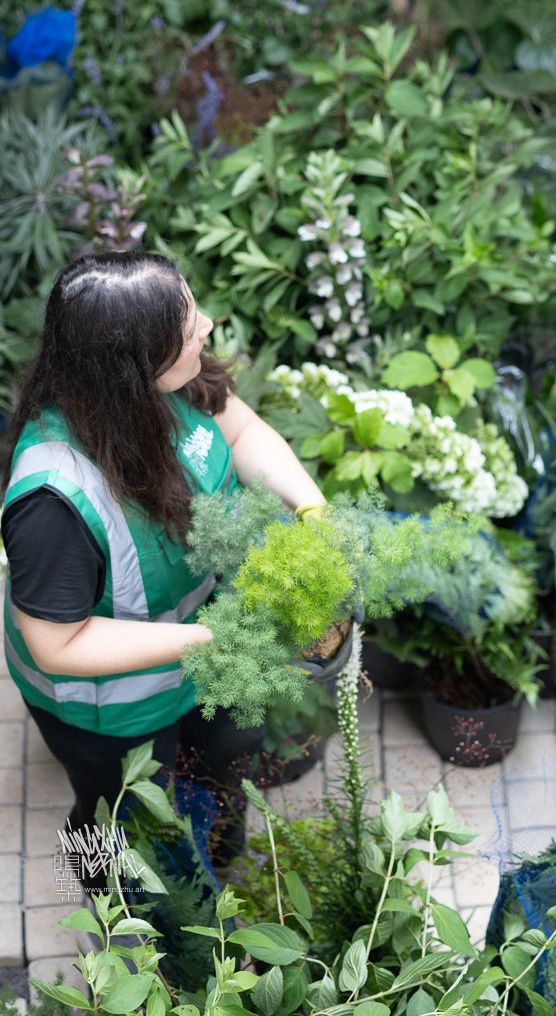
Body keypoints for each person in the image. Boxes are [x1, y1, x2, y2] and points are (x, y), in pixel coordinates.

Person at [1, 250, 325, 874]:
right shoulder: (52, 499)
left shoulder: (175, 386)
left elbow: (243, 430)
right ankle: (114, 907)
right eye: (188, 324)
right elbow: (57, 644)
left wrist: (312, 510)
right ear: (135, 365)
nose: (206, 325)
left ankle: (216, 867)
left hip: (211, 655)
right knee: (116, 818)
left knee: (224, 765)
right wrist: (213, 636)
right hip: (111, 704)